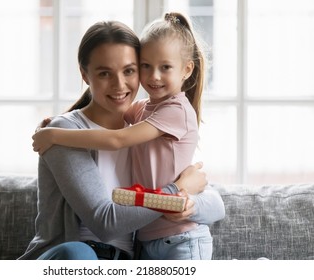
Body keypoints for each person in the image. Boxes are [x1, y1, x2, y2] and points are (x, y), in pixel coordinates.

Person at [21, 19, 224, 260]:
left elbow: (214, 204)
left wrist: (187, 202)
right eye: (105, 73)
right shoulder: (67, 132)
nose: (119, 85)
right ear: (85, 74)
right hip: (75, 258)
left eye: (129, 70)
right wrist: (175, 191)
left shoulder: (142, 130)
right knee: (78, 253)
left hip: (127, 261)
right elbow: (105, 223)